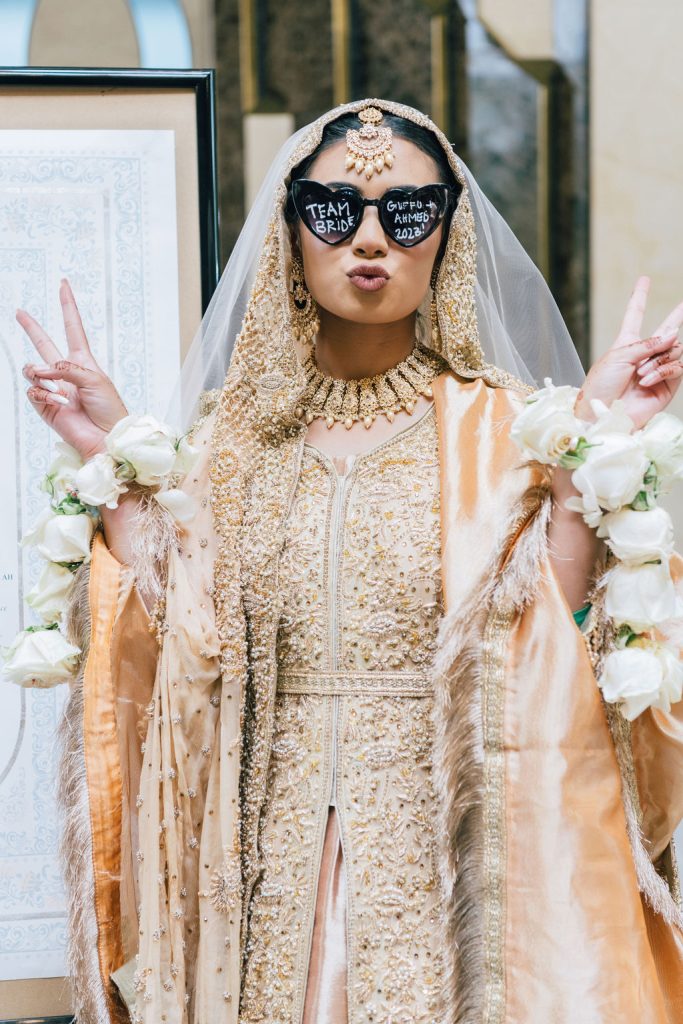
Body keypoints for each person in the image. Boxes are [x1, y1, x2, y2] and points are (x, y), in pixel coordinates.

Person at [17, 98, 683, 1024]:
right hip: (263, 852)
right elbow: (177, 639)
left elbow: (551, 645)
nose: (369, 238)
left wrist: (592, 450)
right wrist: (113, 465)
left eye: (407, 214)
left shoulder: (509, 429)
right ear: (291, 228)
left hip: (447, 846)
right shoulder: (227, 443)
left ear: (445, 235)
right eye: (334, 210)